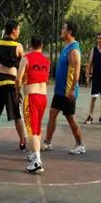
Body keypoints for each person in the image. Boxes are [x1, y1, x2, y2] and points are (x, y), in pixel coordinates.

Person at [42, 22, 86, 155]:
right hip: (59, 91)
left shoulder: (74, 50)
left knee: (70, 117)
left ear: (70, 32)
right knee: (52, 113)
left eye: (63, 28)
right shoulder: (66, 47)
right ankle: (48, 142)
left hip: (68, 91)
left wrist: (71, 90)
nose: (61, 30)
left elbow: (76, 72)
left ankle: (80, 145)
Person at [0, 20, 27, 153]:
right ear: (13, 30)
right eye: (18, 29)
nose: (19, 31)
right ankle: (22, 142)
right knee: (17, 116)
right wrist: (22, 82)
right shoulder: (18, 46)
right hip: (11, 83)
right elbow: (24, 65)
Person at [16, 36, 50, 174]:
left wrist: (17, 92)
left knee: (31, 130)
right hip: (43, 97)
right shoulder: (46, 61)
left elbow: (18, 79)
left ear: (30, 45)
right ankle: (34, 153)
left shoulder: (26, 58)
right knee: (37, 129)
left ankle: (37, 161)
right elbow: (45, 78)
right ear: (42, 45)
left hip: (32, 97)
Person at [83, 33, 101, 125]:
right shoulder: (94, 49)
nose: (99, 40)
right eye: (97, 38)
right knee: (93, 97)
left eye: (100, 38)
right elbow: (90, 63)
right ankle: (90, 116)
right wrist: (88, 76)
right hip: (96, 78)